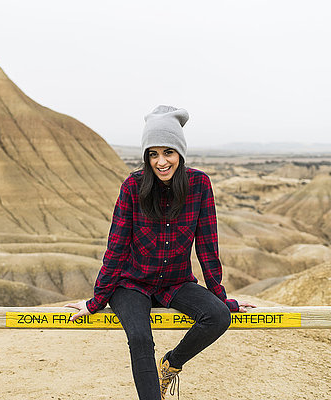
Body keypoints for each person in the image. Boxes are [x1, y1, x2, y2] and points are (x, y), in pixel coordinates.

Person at [65, 105, 256, 400]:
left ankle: (171, 364)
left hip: (176, 282)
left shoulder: (199, 185)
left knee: (218, 317)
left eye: (168, 152)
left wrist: (221, 298)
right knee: (140, 338)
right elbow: (115, 247)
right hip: (131, 284)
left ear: (180, 152)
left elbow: (207, 246)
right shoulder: (132, 187)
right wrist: (97, 300)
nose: (161, 161)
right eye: (153, 154)